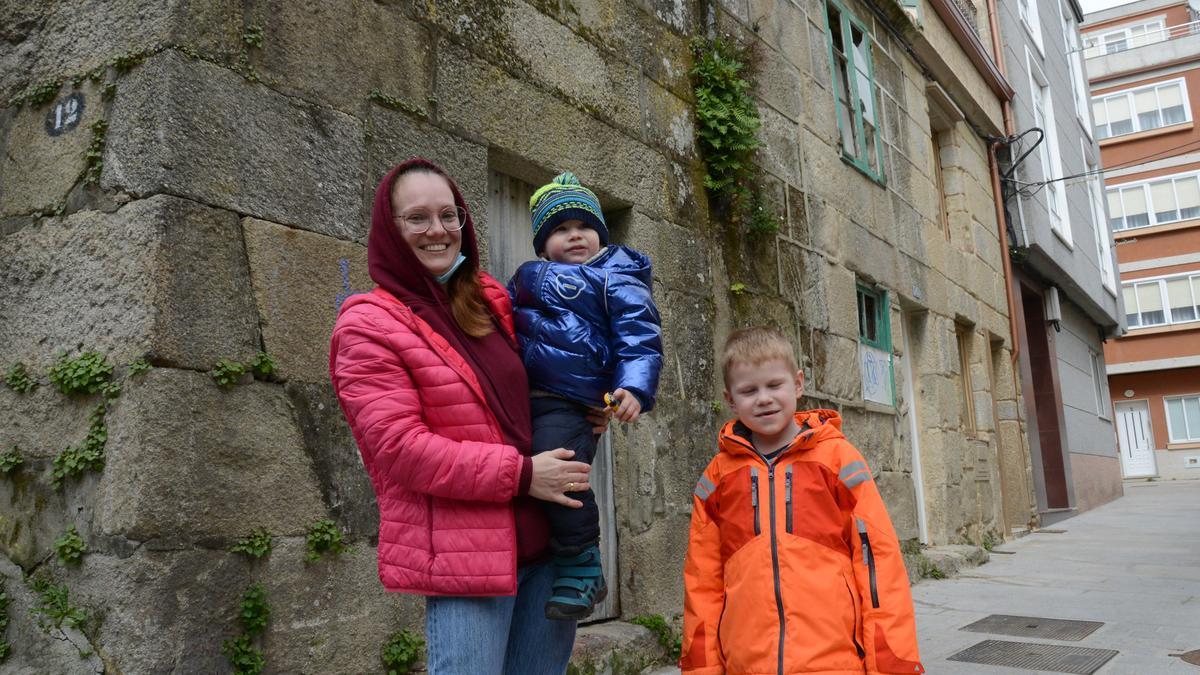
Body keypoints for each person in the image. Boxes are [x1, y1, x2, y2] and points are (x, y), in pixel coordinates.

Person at [330, 158, 603, 675]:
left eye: (449, 214)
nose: (437, 230)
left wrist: (587, 404)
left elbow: (541, 389)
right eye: (417, 218)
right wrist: (523, 475)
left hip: (548, 550)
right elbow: (401, 451)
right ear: (390, 229)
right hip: (468, 562)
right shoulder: (367, 327)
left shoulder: (491, 300)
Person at [680, 326, 924, 675]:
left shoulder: (839, 459)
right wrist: (702, 667)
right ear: (730, 399)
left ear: (798, 383)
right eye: (749, 390)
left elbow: (878, 564)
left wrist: (891, 663)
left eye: (774, 385)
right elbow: (702, 581)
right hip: (747, 664)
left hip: (834, 660)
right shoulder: (717, 477)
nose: (763, 398)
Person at [508, 171, 663, 620]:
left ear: (601, 234)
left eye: (584, 226)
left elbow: (640, 336)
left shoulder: (616, 275)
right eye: (560, 228)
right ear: (542, 245)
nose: (574, 235)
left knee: (558, 473)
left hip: (574, 400)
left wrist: (632, 386)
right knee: (531, 474)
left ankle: (582, 562)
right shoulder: (526, 277)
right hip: (527, 397)